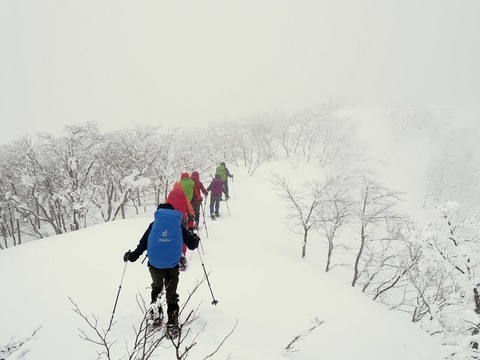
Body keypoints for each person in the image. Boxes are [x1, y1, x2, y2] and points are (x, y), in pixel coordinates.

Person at [123, 203, 200, 337]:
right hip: (172, 265)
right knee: (171, 294)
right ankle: (172, 322)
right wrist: (195, 239)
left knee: (157, 288)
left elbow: (142, 245)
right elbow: (192, 245)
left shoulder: (154, 225)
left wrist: (132, 256)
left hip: (155, 264)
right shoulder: (178, 226)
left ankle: (156, 315)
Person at [166, 182, 195, 269]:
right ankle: (182, 252)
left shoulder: (170, 195)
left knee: (172, 235)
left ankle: (172, 252)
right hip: (182, 219)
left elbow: (165, 205)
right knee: (182, 236)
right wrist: (191, 214)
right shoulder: (183, 195)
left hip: (171, 219)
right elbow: (189, 207)